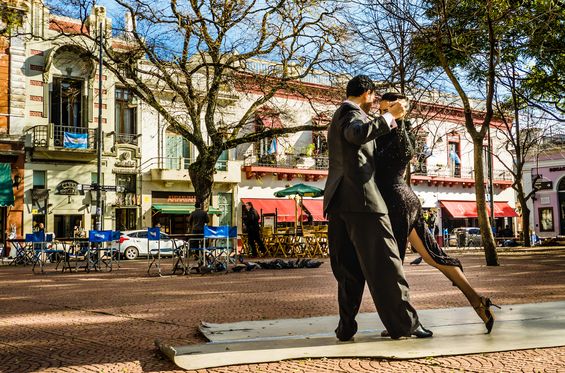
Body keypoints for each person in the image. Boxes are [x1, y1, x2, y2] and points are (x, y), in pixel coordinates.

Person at [374, 91, 499, 334]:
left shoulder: (393, 135)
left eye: (386, 109)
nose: (382, 114)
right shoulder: (404, 134)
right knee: (433, 255)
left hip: (394, 201)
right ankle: (477, 301)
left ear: (398, 108)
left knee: (393, 265)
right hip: (405, 198)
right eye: (381, 110)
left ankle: (404, 322)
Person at [323, 75, 432, 341]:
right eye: (374, 98)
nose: (374, 104)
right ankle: (405, 325)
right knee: (387, 265)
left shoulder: (338, 116)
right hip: (364, 203)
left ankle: (346, 327)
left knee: (348, 270)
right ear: (367, 94)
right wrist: (389, 117)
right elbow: (357, 134)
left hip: (338, 202)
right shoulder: (352, 115)